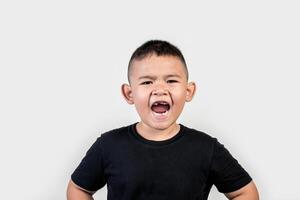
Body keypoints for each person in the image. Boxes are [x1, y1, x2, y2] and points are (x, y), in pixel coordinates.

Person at [67, 40, 259, 200]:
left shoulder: (206, 148)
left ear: (188, 91)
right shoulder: (108, 145)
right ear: (129, 93)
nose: (159, 89)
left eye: (171, 80)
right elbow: (78, 189)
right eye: (147, 82)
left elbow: (245, 192)